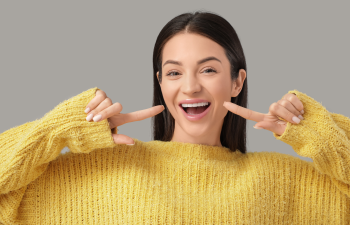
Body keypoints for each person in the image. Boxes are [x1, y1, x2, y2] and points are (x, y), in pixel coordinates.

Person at [1, 11, 349, 224]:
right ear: (160, 83)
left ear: (236, 81)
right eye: (174, 73)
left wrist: (320, 132)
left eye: (208, 70)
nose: (191, 87)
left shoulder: (282, 181)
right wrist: (57, 130)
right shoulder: (107, 170)